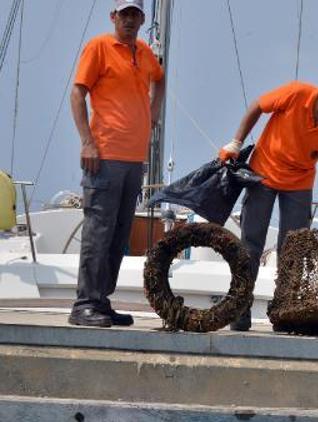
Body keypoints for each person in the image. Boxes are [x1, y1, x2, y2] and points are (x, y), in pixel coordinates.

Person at [219, 81, 318, 331]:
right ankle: (240, 307)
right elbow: (257, 106)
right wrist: (236, 142)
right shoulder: (296, 93)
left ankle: (285, 311)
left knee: (294, 250)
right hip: (264, 173)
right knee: (251, 244)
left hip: (300, 183)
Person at [68, 0, 166, 327]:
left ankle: (100, 300)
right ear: (113, 17)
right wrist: (87, 142)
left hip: (134, 160)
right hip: (105, 156)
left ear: (142, 19)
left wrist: (153, 114)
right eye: (124, 14)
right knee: (98, 232)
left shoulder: (144, 52)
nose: (129, 20)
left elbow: (160, 79)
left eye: (135, 14)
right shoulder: (98, 47)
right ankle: (84, 304)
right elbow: (77, 94)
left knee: (119, 233)